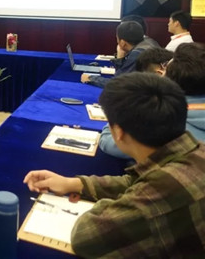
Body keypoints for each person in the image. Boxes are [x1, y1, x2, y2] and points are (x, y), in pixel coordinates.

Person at [24, 73, 205, 257]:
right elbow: (137, 181)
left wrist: (111, 204)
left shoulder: (153, 199)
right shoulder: (193, 152)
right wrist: (75, 184)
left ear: (118, 132)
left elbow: (85, 238)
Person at [81, 21, 153, 88]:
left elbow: (118, 83)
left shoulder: (136, 54)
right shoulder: (149, 43)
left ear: (123, 43)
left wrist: (91, 78)